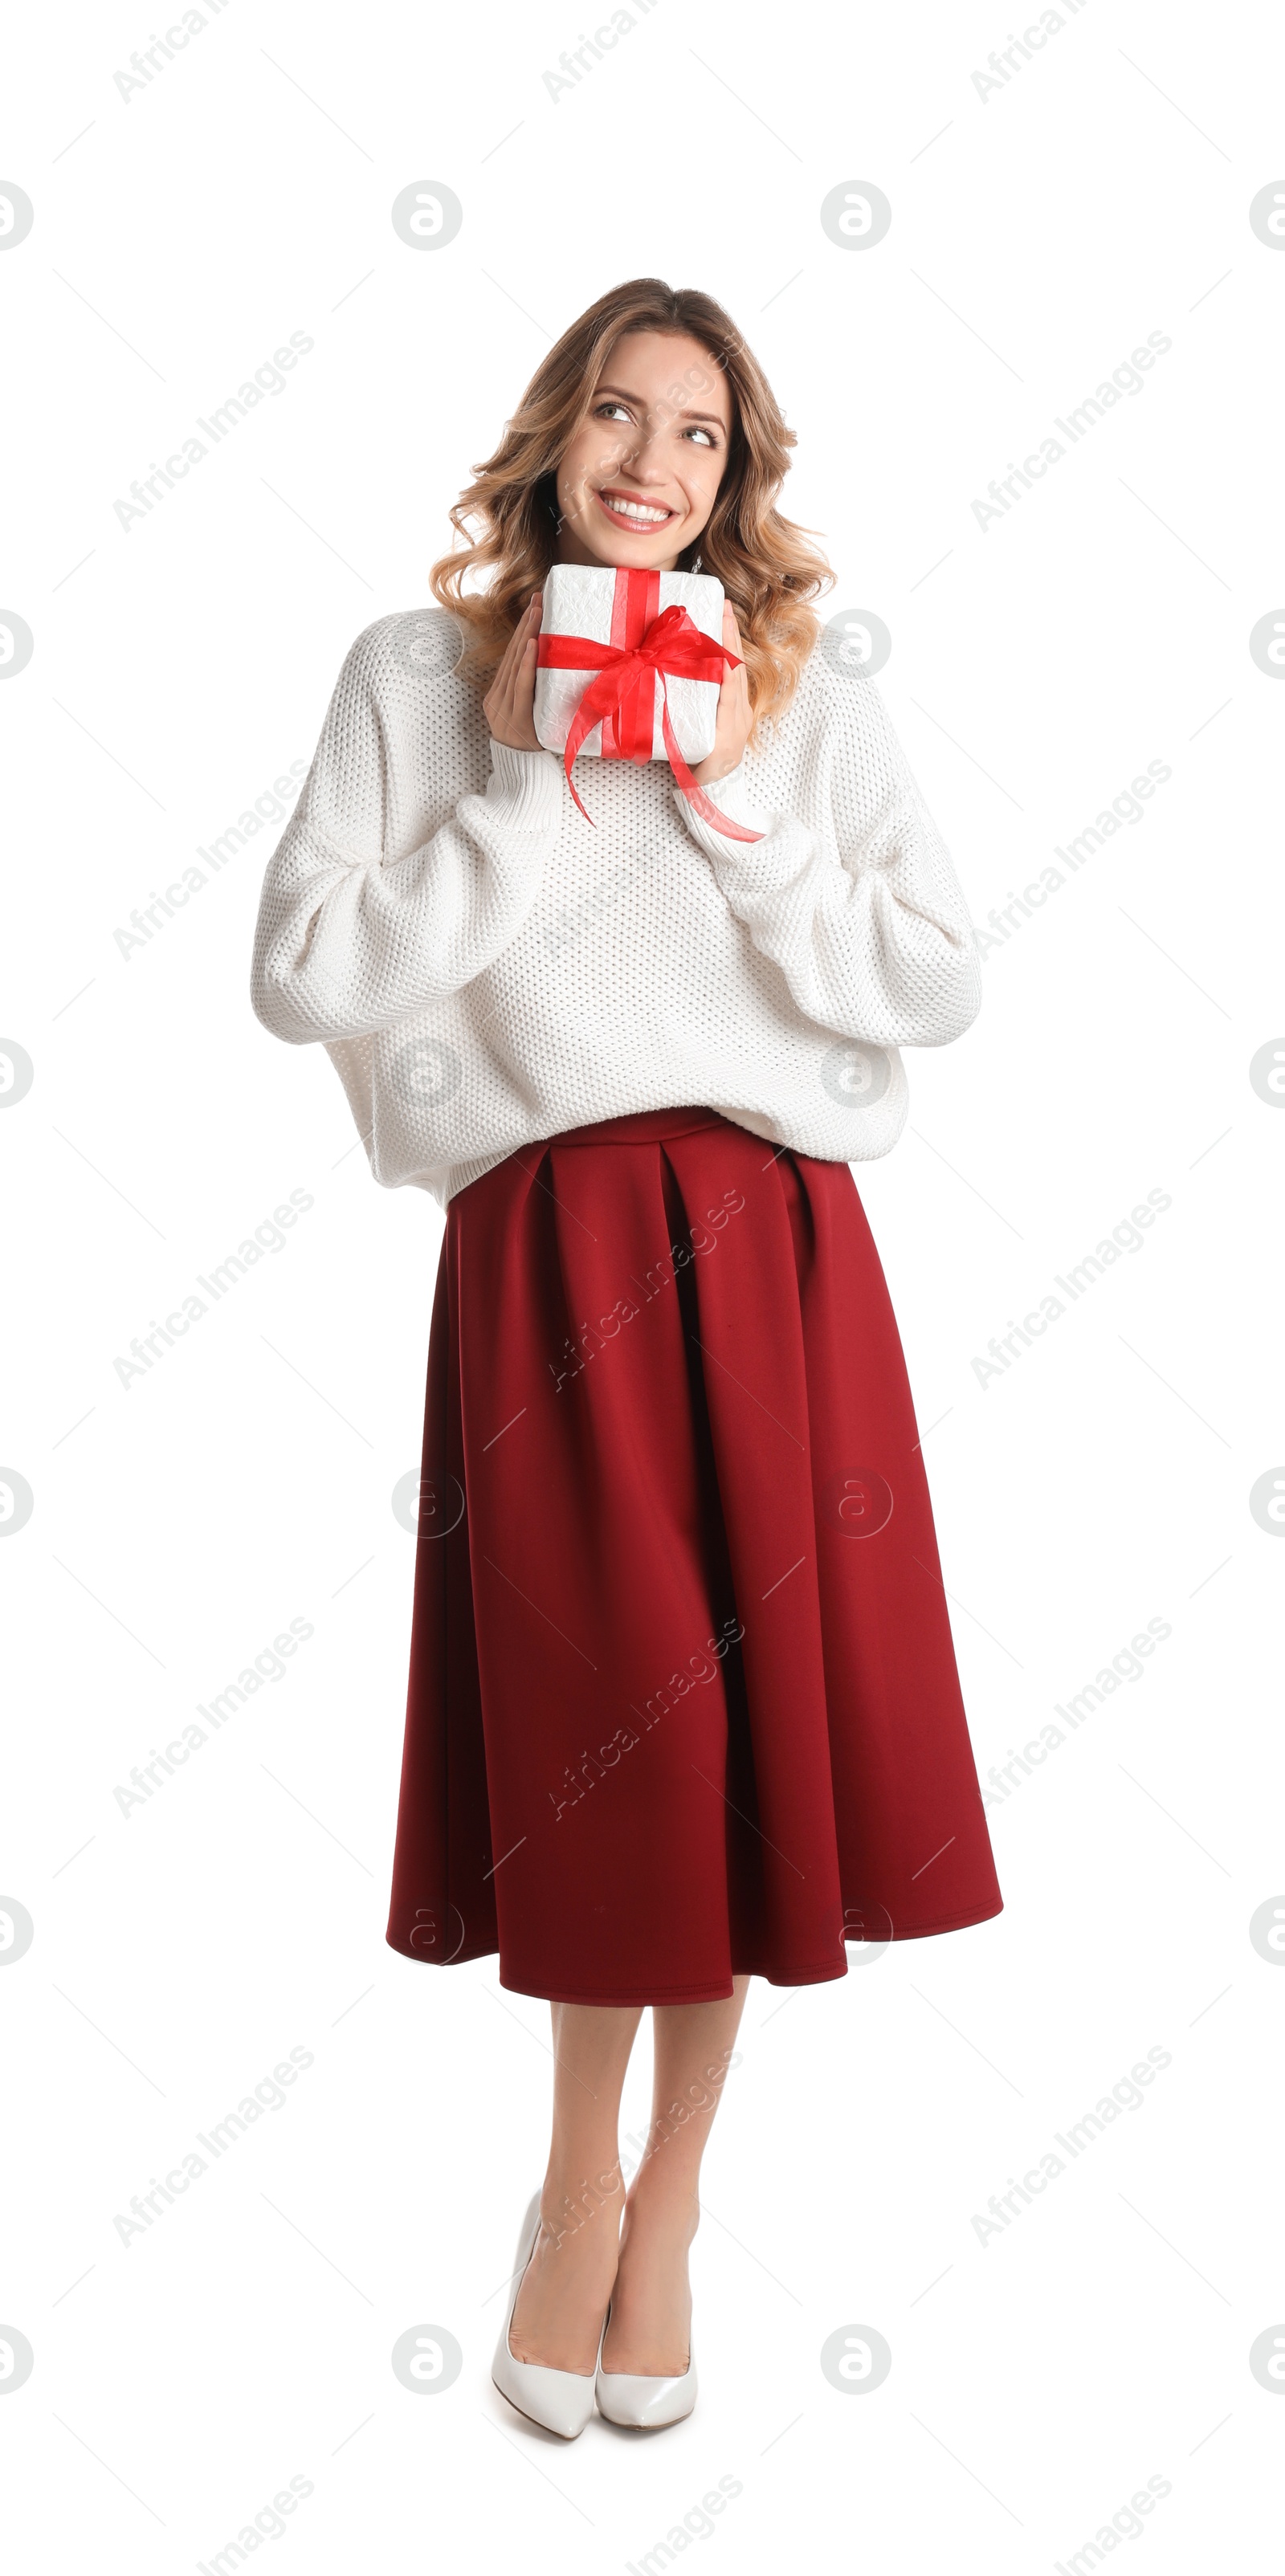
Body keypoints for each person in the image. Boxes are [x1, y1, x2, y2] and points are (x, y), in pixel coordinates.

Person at [249, 275, 1002, 2440]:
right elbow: (301, 971)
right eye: (615, 414)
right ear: (554, 435)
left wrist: (735, 810)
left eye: (698, 434)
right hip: (545, 1233)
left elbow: (941, 981)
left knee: (747, 1752)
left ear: (737, 474)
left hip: (772, 1238)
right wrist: (530, 787)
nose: (650, 464)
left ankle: (656, 2206)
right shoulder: (421, 672)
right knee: (617, 1744)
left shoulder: (804, 681)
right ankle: (573, 2182)